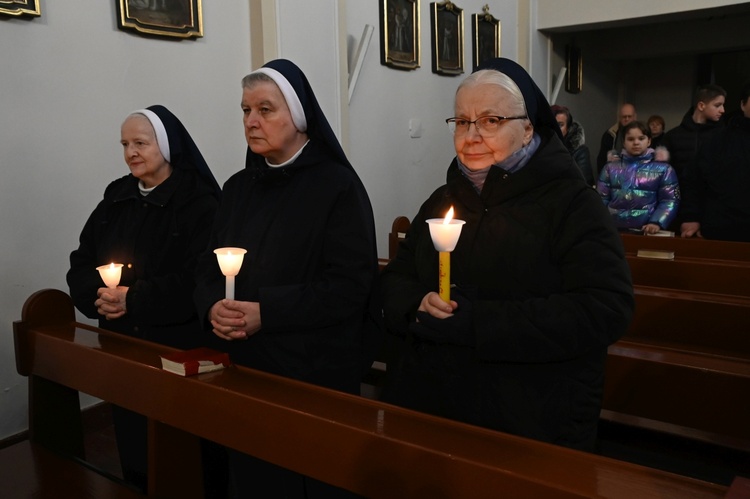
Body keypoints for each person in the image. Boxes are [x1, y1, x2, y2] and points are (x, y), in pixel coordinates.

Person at [380, 58, 634, 452]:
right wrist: (419, 304)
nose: (472, 134)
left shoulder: (573, 203)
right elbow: (396, 278)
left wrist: (479, 322)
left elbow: (605, 307)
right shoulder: (442, 200)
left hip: (529, 415)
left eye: (491, 120)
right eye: (462, 121)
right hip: (434, 405)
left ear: (528, 126)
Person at [193, 59, 381, 498]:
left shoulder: (338, 186)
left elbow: (351, 287)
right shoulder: (237, 187)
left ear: (298, 116)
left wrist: (267, 313)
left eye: (265, 109)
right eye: (245, 111)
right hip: (245, 365)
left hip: (312, 371)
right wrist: (211, 307)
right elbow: (204, 266)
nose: (252, 121)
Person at [66, 105, 223, 494]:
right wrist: (97, 297)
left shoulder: (200, 202)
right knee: (134, 441)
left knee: (184, 450)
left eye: (141, 142)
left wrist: (133, 299)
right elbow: (83, 260)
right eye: (125, 144)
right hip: (122, 341)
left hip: (176, 344)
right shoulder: (116, 197)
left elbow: (199, 278)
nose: (131, 152)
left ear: (167, 145)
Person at [680, 81, 750, 241]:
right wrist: (691, 216)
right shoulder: (719, 140)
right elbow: (693, 179)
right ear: (743, 104)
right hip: (723, 228)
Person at [597, 121, 680, 234]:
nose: (636, 143)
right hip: (613, 231)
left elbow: (669, 200)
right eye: (630, 139)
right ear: (624, 142)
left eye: (641, 138)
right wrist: (602, 222)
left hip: (647, 231)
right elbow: (600, 200)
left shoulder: (663, 169)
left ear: (649, 141)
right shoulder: (610, 168)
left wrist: (656, 222)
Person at [662, 84, 726, 180]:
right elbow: (662, 173)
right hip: (680, 192)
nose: (722, 110)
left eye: (722, 105)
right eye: (717, 105)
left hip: (712, 193)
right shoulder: (673, 136)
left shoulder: (723, 135)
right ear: (701, 106)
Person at [552, 104, 595, 185]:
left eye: (560, 125)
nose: (556, 129)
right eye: (553, 124)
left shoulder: (580, 151)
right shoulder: (543, 148)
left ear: (568, 128)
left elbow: (583, 183)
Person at [596, 102, 637, 170]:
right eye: (624, 117)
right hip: (615, 174)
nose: (626, 119)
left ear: (635, 117)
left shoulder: (643, 134)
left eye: (629, 116)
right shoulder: (610, 135)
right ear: (620, 118)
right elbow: (602, 160)